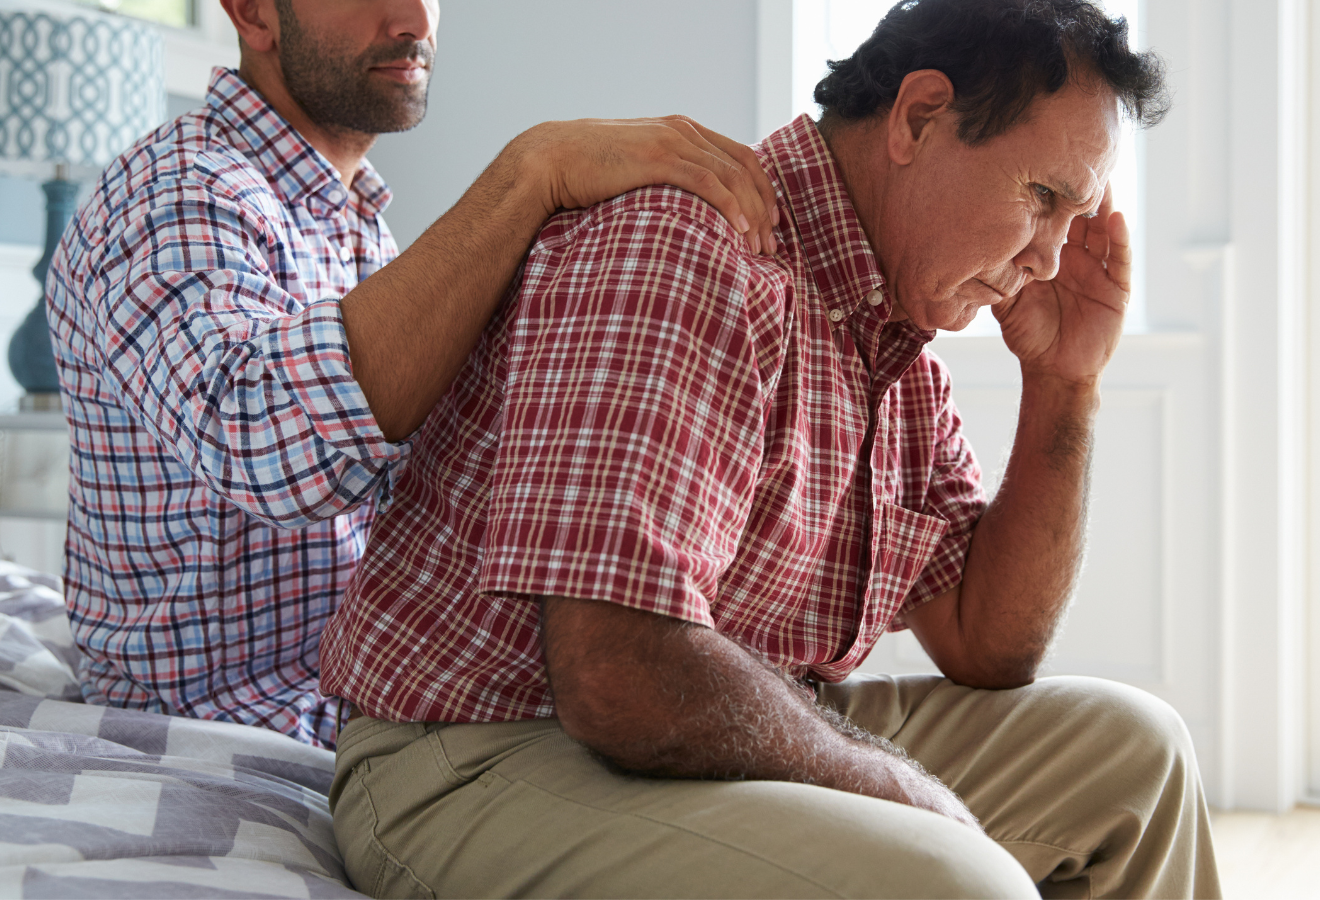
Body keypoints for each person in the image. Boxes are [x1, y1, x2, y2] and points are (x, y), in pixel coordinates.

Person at [320, 0, 1221, 897]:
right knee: (953, 882)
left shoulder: (894, 336)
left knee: (1139, 757)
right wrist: (892, 786)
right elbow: (615, 671)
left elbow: (986, 643)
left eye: (1078, 216)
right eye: (1042, 198)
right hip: (478, 754)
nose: (1054, 259)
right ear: (918, 117)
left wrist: (1067, 381)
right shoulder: (685, 251)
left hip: (708, 726)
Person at [44, 0, 780, 749]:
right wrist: (530, 173)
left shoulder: (354, 219)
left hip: (356, 699)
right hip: (228, 724)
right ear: (254, 13)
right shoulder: (179, 190)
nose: (414, 19)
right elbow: (267, 448)